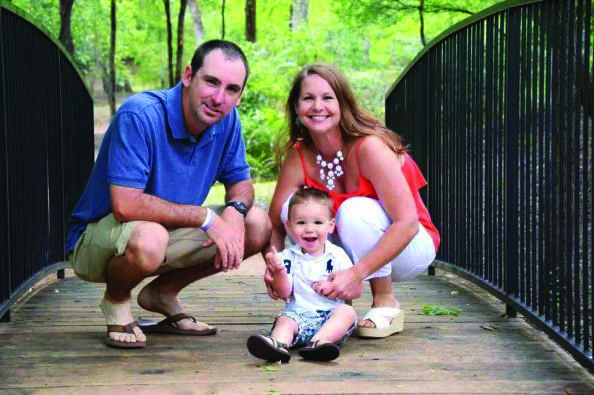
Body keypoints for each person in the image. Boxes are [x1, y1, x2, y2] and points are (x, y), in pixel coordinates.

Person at [65, 39, 271, 349]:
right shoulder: (140, 115)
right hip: (96, 242)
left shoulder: (227, 122)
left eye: (231, 89)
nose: (218, 98)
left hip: (163, 234)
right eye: (211, 82)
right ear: (188, 76)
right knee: (151, 238)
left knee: (258, 223)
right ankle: (117, 298)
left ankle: (162, 293)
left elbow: (241, 183)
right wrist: (206, 218)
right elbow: (126, 205)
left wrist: (235, 211)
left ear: (240, 96)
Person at [265, 63, 440, 339]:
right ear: (297, 108)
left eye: (327, 98)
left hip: (411, 245)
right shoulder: (299, 156)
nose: (317, 106)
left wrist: (357, 273)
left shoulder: (369, 147)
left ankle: (385, 301)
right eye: (308, 98)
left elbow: (406, 223)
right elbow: (276, 221)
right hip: (359, 250)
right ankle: (333, 306)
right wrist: (274, 265)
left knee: (352, 210)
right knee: (293, 208)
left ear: (342, 103)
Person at [247, 186, 357, 362]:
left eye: (318, 222)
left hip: (330, 317)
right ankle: (278, 345)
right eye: (301, 222)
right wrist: (280, 272)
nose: (309, 229)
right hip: (298, 317)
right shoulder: (287, 257)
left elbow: (356, 290)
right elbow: (284, 293)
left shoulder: (337, 255)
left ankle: (319, 344)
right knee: (285, 320)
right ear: (289, 226)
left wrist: (334, 287)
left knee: (347, 311)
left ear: (331, 226)